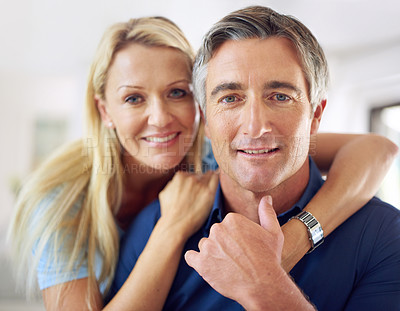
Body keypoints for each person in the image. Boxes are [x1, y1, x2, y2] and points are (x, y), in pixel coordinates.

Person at [9, 14, 397, 311]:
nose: (160, 118)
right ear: (104, 110)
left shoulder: (221, 152)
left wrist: (290, 246)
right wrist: (171, 228)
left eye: (176, 92)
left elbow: (376, 149)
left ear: (197, 109)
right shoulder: (66, 204)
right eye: (133, 98)